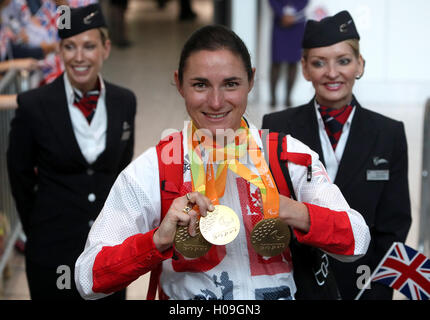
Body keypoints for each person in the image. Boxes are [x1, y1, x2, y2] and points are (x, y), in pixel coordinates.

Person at [74, 24, 369, 300]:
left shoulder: (288, 156)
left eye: (231, 84)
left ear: (251, 81)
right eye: (200, 85)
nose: (216, 102)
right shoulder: (153, 169)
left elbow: (357, 240)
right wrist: (157, 240)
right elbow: (88, 279)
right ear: (179, 84)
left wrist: (296, 212)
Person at [262, 11, 411, 300]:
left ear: (360, 65)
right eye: (319, 63)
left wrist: (379, 291)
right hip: (296, 283)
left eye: (343, 61)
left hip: (364, 282)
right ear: (304, 68)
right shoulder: (277, 127)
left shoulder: (389, 133)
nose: (332, 73)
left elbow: (395, 225)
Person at [7, 3, 136, 300]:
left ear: (106, 48)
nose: (79, 57)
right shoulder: (33, 105)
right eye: (70, 46)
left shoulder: (125, 101)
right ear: (60, 51)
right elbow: (20, 176)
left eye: (89, 46)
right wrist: (40, 228)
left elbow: (118, 171)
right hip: (52, 251)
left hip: (108, 251)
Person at [268, 0, 308, 108]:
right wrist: (282, 14)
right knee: (276, 60)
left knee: (293, 61)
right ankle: (273, 98)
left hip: (297, 23)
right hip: (280, 23)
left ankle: (288, 98)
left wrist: (293, 14)